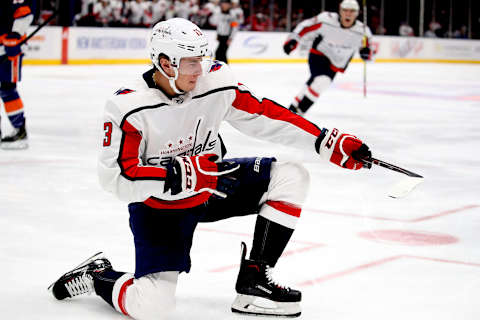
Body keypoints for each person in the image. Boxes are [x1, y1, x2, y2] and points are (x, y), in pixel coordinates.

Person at [48, 18, 372, 319]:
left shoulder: (214, 81)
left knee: (291, 176)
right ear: (165, 62)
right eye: (191, 63)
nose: (200, 70)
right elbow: (116, 177)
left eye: (203, 60)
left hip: (211, 185)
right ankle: (97, 276)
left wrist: (325, 140)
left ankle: (254, 281)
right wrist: (176, 176)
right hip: (160, 208)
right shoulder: (129, 107)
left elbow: (262, 115)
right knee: (152, 308)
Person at [283, 0, 373, 115]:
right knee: (322, 81)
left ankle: (292, 109)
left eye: (352, 11)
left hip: (337, 63)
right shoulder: (327, 19)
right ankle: (299, 113)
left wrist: (366, 52)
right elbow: (305, 26)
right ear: (340, 10)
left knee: (315, 83)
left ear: (357, 13)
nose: (348, 14)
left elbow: (369, 50)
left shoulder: (363, 31)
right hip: (319, 54)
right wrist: (293, 39)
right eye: (345, 10)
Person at [0, 0, 33, 149]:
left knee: (7, 90)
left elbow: (24, 13)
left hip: (8, 50)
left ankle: (20, 131)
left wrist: (15, 34)